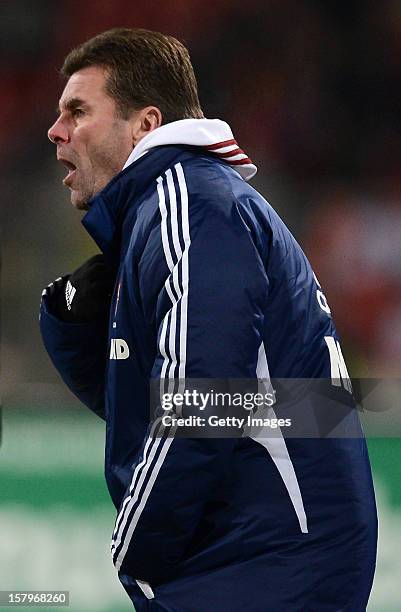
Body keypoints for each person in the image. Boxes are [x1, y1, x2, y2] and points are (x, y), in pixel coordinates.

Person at [40, 28, 377, 611]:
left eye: (78, 110)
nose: (55, 130)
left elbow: (203, 400)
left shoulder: (191, 205)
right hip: (273, 552)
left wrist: (135, 547)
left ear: (145, 125)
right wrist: (67, 320)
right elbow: (161, 406)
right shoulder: (188, 208)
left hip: (261, 565)